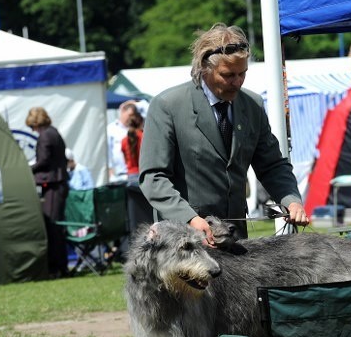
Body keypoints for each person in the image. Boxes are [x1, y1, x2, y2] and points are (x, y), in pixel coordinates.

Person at [139, 23, 308, 243]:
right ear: (204, 68)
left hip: (235, 237)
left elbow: (272, 165)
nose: (237, 82)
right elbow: (153, 177)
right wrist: (190, 218)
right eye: (228, 75)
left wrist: (291, 200)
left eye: (242, 74)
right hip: (183, 241)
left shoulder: (253, 106)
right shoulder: (167, 106)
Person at [26, 107, 69, 278]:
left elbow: (43, 161)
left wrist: (28, 168)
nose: (32, 130)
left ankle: (56, 268)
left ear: (36, 123)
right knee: (57, 227)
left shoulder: (44, 136)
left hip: (52, 185)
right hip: (59, 183)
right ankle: (61, 266)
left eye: (32, 127)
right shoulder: (54, 132)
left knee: (52, 226)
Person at [106, 100, 138, 183]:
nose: (132, 118)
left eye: (134, 115)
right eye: (130, 115)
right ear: (123, 111)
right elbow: (107, 153)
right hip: (118, 176)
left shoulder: (136, 130)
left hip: (135, 173)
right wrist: (110, 174)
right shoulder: (111, 129)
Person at [121, 110, 143, 185]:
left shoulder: (124, 140)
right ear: (141, 123)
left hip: (131, 175)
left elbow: (126, 160)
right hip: (143, 173)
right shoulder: (144, 137)